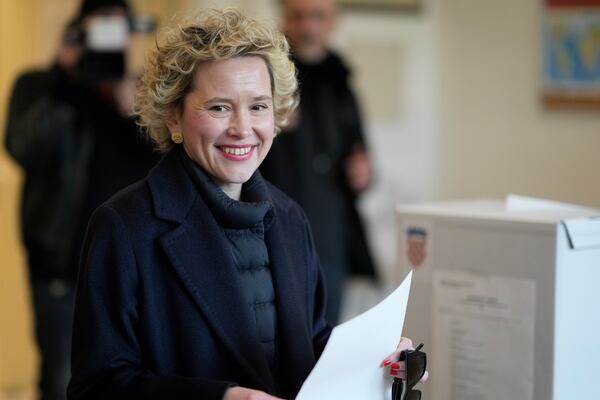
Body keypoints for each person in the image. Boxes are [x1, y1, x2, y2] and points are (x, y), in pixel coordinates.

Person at [67, 8, 416, 400]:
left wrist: (373, 362)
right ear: (174, 118)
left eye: (258, 106)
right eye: (219, 107)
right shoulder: (125, 227)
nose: (243, 128)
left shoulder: (291, 219)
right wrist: (224, 398)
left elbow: (306, 350)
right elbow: (96, 386)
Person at [4, 1, 158, 399]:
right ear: (79, 32)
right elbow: (23, 147)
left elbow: (175, 163)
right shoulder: (41, 85)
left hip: (136, 264)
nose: (110, 38)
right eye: (101, 28)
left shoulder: (145, 90)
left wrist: (138, 112)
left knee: (137, 376)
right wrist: (63, 78)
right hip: (61, 262)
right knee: (61, 378)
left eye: (118, 29)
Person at [260, 0, 376, 324]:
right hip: (272, 233)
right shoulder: (263, 76)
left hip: (330, 238)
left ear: (334, 22)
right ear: (284, 19)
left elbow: (362, 157)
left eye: (318, 16)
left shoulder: (343, 83)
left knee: (326, 339)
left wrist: (363, 174)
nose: (308, 26)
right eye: (299, 16)